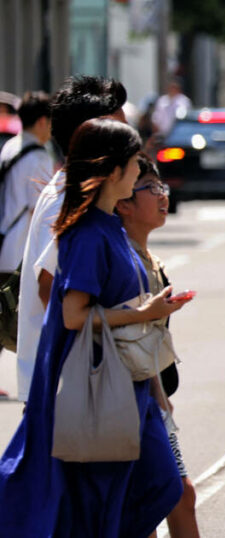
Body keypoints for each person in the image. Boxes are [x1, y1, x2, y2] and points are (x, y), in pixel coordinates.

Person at [0, 118, 187, 536]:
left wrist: (157, 391)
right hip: (92, 385)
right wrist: (143, 313)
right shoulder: (87, 234)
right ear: (113, 172)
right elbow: (72, 314)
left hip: (125, 383)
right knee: (104, 494)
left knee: (151, 486)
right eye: (135, 164)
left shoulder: (110, 229)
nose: (142, 172)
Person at [16, 75, 128, 404]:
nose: (130, 144)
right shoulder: (69, 197)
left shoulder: (81, 191)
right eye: (121, 133)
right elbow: (49, 286)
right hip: (68, 389)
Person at [116, 155, 199, 537]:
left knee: (160, 498)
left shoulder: (145, 255)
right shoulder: (121, 256)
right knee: (174, 494)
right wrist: (159, 400)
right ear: (124, 202)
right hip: (132, 399)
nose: (162, 196)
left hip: (151, 396)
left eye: (162, 187)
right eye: (150, 188)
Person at [0, 91, 53, 400]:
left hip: (5, 242)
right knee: (21, 319)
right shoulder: (37, 156)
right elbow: (42, 207)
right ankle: (38, 382)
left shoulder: (10, 147)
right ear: (43, 121)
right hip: (21, 249)